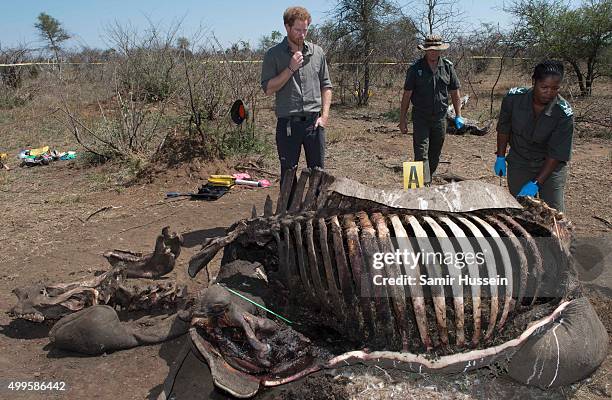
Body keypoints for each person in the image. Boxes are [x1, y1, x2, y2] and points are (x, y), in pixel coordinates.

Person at [261, 6, 332, 185]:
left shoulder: (317, 52)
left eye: (305, 30)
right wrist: (290, 68)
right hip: (288, 125)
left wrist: (324, 117)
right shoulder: (273, 54)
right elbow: (268, 88)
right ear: (287, 27)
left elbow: (326, 86)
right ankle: (287, 211)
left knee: (318, 173)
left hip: (314, 124)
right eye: (298, 30)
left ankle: (315, 211)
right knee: (288, 174)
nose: (302, 34)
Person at [494, 60, 574, 212]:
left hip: (550, 166)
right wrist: (500, 156)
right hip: (520, 160)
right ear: (534, 82)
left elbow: (556, 153)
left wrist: (536, 183)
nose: (549, 92)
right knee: (519, 210)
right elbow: (504, 128)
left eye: (555, 88)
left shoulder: (563, 113)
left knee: (553, 213)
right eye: (544, 87)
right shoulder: (513, 99)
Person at [399, 34, 464, 185]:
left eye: (436, 49)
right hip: (421, 117)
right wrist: (402, 120)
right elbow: (407, 95)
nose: (433, 52)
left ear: (440, 50)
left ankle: (427, 181)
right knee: (421, 153)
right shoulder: (415, 69)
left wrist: (458, 115)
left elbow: (455, 92)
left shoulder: (447, 67)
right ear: (425, 50)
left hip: (440, 118)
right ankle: (416, 188)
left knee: (434, 154)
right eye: (430, 50)